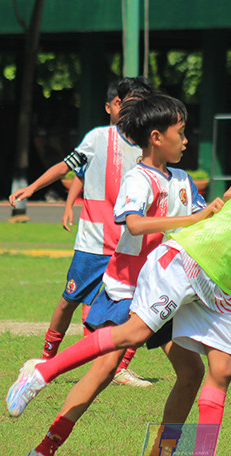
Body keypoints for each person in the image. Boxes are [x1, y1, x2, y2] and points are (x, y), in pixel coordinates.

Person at [5, 147, 231, 456]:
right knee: (130, 338)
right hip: (185, 263)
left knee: (218, 368)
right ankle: (40, 375)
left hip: (214, 283)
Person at [11, 93, 229, 456]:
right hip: (127, 287)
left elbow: (202, 219)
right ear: (157, 137)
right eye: (182, 133)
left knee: (191, 370)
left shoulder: (181, 180)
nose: (187, 140)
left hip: (167, 289)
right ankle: (42, 449)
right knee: (103, 371)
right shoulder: (138, 178)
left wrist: (228, 203)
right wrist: (193, 218)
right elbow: (133, 224)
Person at [10, 77, 155, 387]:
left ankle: (119, 367)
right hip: (93, 241)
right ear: (117, 104)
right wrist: (33, 188)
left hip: (130, 243)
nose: (130, 109)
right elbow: (69, 167)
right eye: (126, 102)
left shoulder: (149, 148)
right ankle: (47, 359)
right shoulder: (99, 137)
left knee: (140, 307)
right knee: (69, 300)